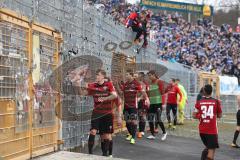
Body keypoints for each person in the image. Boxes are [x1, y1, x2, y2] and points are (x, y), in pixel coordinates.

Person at [69, 69, 118, 156]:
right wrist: (78, 83)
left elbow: (114, 95)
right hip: (97, 112)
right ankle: (90, 154)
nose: (97, 77)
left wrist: (105, 98)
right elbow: (82, 94)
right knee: (93, 132)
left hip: (107, 113)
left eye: (98, 75)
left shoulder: (108, 84)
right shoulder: (92, 86)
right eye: (96, 75)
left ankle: (106, 154)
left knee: (105, 136)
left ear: (103, 76)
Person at [193, 84, 222, 160]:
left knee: (208, 148)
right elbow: (219, 115)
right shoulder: (216, 102)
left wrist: (201, 116)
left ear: (204, 91)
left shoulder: (199, 102)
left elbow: (194, 115)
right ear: (211, 91)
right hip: (212, 131)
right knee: (211, 154)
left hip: (202, 131)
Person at [122, 70, 149, 144]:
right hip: (126, 105)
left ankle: (133, 138)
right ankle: (131, 134)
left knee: (133, 121)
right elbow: (122, 93)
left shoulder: (136, 83)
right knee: (127, 122)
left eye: (127, 74)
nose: (126, 76)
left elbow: (143, 92)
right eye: (126, 74)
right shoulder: (125, 84)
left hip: (133, 105)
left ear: (131, 75)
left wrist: (140, 98)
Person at [147, 70, 167, 140]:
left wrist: (163, 104)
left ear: (154, 75)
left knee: (158, 119)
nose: (149, 77)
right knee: (150, 119)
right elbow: (149, 94)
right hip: (151, 104)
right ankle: (152, 134)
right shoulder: (150, 83)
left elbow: (163, 93)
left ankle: (164, 133)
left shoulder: (159, 82)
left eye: (150, 75)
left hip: (158, 104)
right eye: (148, 76)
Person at [136, 72, 149, 138]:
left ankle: (142, 131)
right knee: (136, 115)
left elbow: (143, 93)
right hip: (136, 101)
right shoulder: (136, 83)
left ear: (142, 76)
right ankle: (137, 130)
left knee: (141, 115)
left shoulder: (143, 84)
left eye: (138, 75)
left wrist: (139, 98)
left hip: (142, 102)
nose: (137, 76)